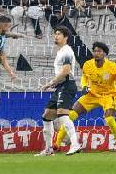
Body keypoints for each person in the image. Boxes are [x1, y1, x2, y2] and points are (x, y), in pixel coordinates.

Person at [55, 42, 116, 153]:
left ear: (104, 54)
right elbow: (84, 78)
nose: (96, 53)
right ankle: (56, 144)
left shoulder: (112, 67)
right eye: (95, 51)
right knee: (71, 115)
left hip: (109, 96)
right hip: (92, 95)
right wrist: (84, 86)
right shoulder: (87, 65)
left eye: (100, 51)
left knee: (109, 120)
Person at [35, 26, 81, 156]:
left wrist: (50, 83)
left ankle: (75, 144)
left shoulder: (67, 51)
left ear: (66, 37)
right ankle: (49, 149)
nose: (56, 36)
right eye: (55, 34)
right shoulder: (60, 51)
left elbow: (66, 71)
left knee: (63, 115)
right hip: (61, 87)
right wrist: (54, 84)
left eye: (59, 34)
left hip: (67, 85)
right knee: (47, 116)